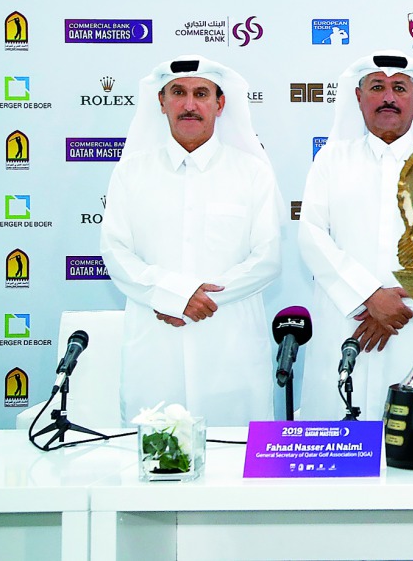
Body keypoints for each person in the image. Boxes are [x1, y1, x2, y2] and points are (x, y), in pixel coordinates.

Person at [100, 55, 283, 426]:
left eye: (201, 93)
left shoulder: (251, 173)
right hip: (155, 347)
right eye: (178, 93)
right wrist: (172, 294)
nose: (189, 104)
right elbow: (115, 252)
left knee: (233, 467)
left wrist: (197, 300)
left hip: (230, 347)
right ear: (161, 102)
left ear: (220, 103)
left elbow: (267, 259)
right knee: (154, 463)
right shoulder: (131, 173)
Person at [298, 52, 413, 421]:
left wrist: (400, 307)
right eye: (377, 87)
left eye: (399, 88)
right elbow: (311, 235)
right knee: (338, 445)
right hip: (347, 321)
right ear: (358, 97)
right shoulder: (331, 160)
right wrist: (368, 296)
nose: (388, 98)